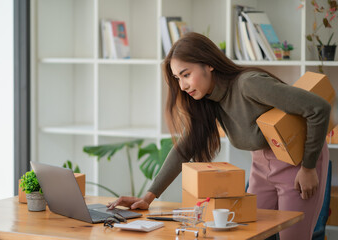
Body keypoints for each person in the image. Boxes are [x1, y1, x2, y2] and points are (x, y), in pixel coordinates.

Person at [107, 32, 330, 240]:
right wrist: (148, 197)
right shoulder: (208, 100)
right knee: (246, 234)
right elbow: (184, 149)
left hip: (298, 163)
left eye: (186, 74)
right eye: (177, 78)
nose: (182, 85)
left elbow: (318, 108)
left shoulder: (249, 83)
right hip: (261, 168)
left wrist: (309, 167)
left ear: (209, 64)